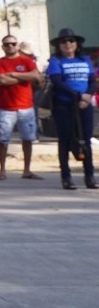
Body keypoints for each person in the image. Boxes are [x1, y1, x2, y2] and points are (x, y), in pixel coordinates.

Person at [45, 28, 97, 190]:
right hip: (64, 105)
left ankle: (89, 176)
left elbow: (92, 81)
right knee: (65, 140)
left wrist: (88, 95)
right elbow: (57, 81)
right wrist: (78, 96)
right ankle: (66, 177)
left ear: (77, 44)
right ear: (59, 46)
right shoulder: (56, 61)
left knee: (86, 140)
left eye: (71, 41)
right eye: (64, 41)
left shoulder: (85, 60)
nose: (68, 44)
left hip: (85, 104)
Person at [0, 34, 43, 180]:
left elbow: (36, 76)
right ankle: (2, 171)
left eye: (13, 43)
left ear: (17, 45)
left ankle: (27, 170)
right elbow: (1, 80)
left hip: (26, 106)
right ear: (2, 47)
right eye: (7, 44)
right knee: (3, 139)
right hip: (6, 107)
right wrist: (24, 76)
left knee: (27, 138)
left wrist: (13, 74)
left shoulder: (27, 61)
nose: (10, 46)